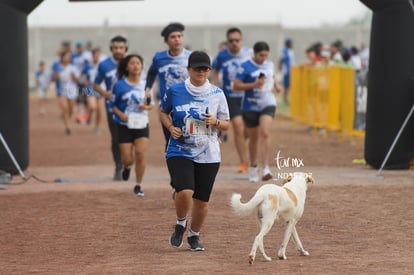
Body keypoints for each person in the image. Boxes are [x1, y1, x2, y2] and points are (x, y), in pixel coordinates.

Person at [159, 51, 230, 251]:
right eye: (197, 68)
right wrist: (170, 127)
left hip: (209, 152)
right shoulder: (175, 90)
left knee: (202, 200)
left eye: (205, 68)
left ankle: (194, 236)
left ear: (209, 70)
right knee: (184, 191)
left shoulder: (217, 94)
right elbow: (163, 111)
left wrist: (215, 122)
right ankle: (181, 223)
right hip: (179, 148)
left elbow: (226, 124)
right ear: (188, 69)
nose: (201, 72)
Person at [145, 22, 192, 192]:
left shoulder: (191, 56)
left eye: (179, 36)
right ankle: (176, 180)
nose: (177, 39)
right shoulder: (159, 57)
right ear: (166, 40)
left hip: (189, 107)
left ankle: (189, 178)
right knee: (172, 140)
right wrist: (148, 89)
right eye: (173, 37)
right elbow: (151, 73)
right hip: (167, 107)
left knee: (191, 140)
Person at [233, 41, 280, 182]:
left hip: (268, 102)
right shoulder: (245, 66)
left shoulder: (269, 64)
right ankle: (253, 166)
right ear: (255, 53)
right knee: (253, 139)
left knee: (265, 133)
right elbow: (236, 86)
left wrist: (276, 86)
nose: (263, 58)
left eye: (266, 55)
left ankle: (266, 167)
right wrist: (254, 84)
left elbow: (271, 77)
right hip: (250, 106)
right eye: (261, 55)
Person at [110, 54, 153, 196]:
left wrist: (145, 107)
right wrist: (121, 115)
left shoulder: (146, 85)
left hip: (141, 124)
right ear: (127, 67)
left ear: (141, 66)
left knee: (140, 154)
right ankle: (127, 167)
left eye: (138, 63)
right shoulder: (119, 85)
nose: (136, 66)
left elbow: (150, 104)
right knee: (127, 158)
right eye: (132, 63)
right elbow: (112, 104)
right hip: (124, 125)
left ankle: (138, 184)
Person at [211, 27, 251, 173]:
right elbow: (214, 69)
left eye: (237, 40)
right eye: (231, 41)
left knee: (248, 131)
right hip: (230, 96)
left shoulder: (249, 53)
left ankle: (246, 149)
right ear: (227, 42)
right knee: (238, 127)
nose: (234, 43)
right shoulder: (222, 55)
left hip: (248, 96)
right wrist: (216, 86)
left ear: (242, 41)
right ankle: (243, 162)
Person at [93, 35, 128, 180]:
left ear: (125, 49)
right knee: (116, 139)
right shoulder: (104, 65)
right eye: (115, 48)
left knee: (130, 139)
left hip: (131, 108)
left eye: (121, 48)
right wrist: (105, 94)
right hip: (112, 108)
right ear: (111, 49)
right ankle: (119, 167)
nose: (118, 50)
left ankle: (127, 164)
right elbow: (95, 84)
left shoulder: (132, 62)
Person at [51, 49, 81, 135]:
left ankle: (67, 117)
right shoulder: (57, 67)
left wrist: (74, 77)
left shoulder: (73, 68)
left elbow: (78, 80)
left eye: (69, 56)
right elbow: (52, 78)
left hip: (72, 91)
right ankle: (67, 127)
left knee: (70, 109)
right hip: (62, 91)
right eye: (66, 56)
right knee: (65, 108)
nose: (68, 58)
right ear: (62, 57)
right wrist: (55, 76)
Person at [82, 47, 105, 135]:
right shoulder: (88, 65)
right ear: (92, 56)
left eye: (98, 55)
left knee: (99, 110)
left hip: (101, 88)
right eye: (95, 55)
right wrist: (83, 80)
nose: (97, 57)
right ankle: (89, 114)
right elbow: (82, 74)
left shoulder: (102, 66)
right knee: (92, 106)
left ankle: (97, 127)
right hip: (90, 88)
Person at [278, 38, 294, 106]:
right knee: (286, 86)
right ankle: (285, 100)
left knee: (290, 86)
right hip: (287, 71)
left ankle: (287, 99)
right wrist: (280, 67)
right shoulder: (285, 51)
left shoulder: (290, 51)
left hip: (290, 71)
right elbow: (281, 59)